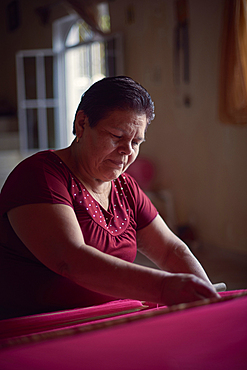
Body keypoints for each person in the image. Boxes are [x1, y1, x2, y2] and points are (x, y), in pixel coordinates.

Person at [0, 76, 219, 319]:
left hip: (110, 320)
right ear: (82, 124)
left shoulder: (125, 188)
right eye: (117, 136)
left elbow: (169, 250)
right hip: (41, 329)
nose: (127, 151)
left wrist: (205, 296)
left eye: (136, 142)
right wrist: (164, 288)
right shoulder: (40, 175)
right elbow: (71, 260)